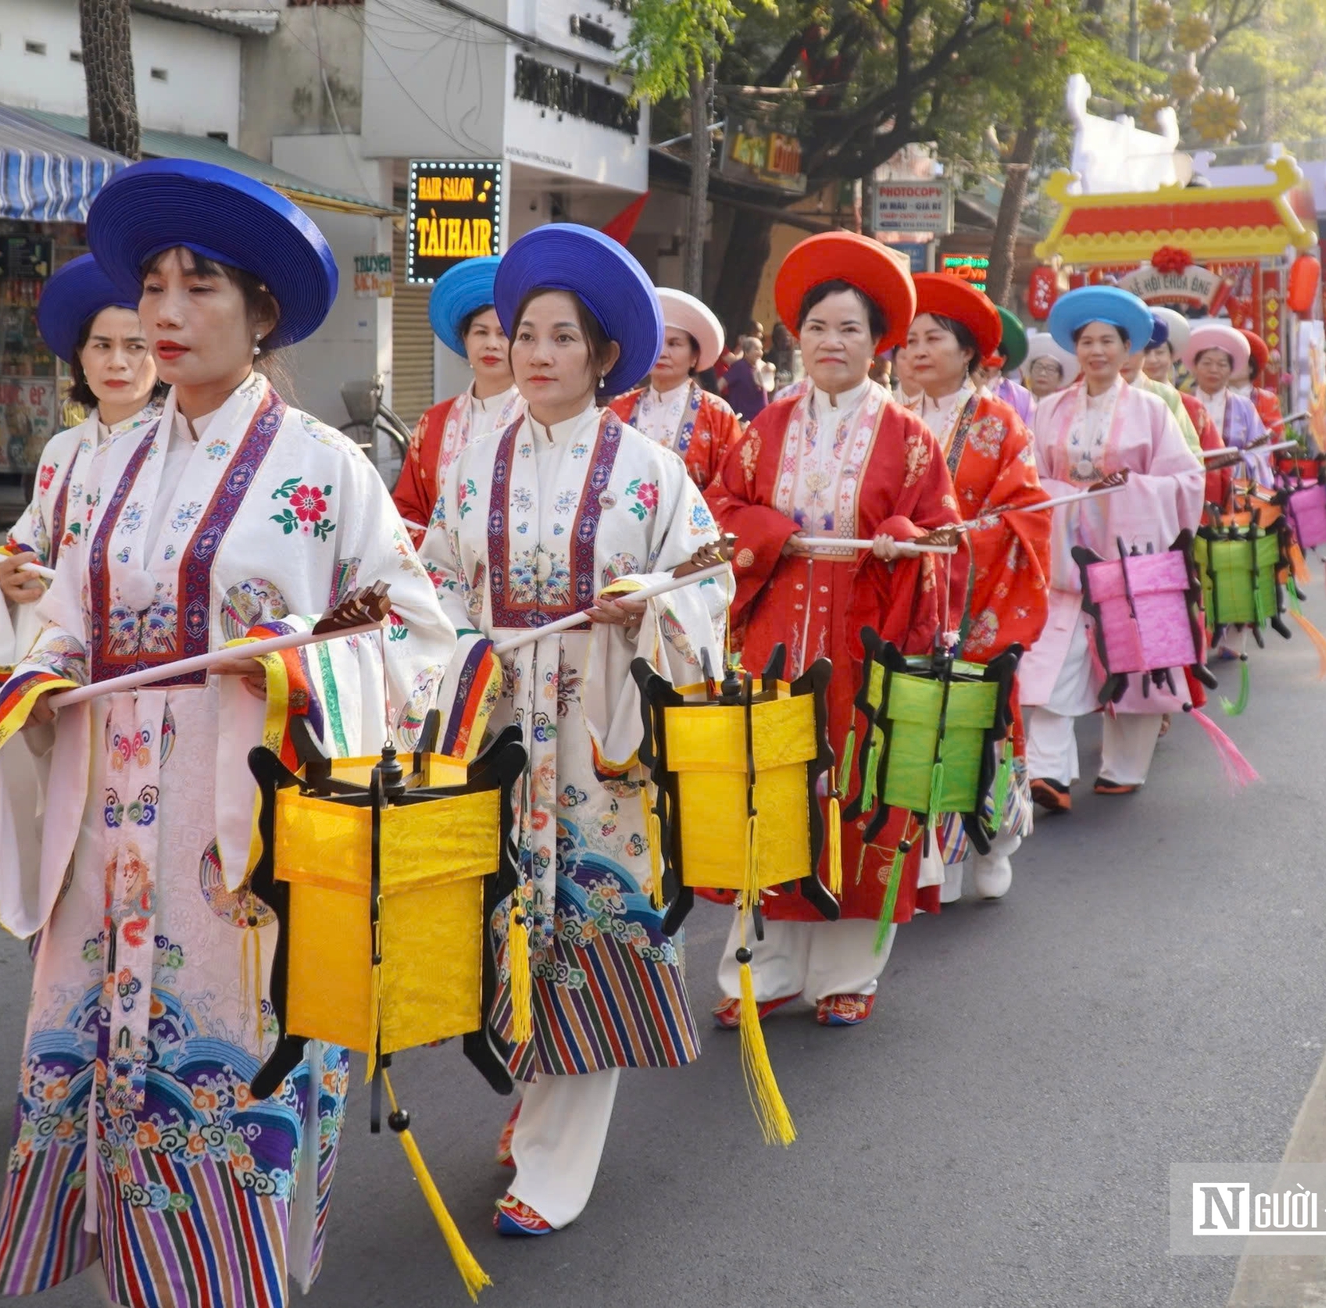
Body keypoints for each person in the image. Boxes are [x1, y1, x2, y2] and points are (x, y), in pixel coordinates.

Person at [0, 160, 457, 1307]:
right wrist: (38, 677)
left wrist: (297, 662)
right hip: (106, 827)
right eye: (152, 282)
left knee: (238, 1066)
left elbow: (414, 633)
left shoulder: (321, 468)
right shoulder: (101, 463)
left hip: (243, 828)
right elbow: (63, 623)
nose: (164, 310)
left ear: (261, 314)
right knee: (106, 1055)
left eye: (199, 286)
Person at [415, 225, 729, 1235]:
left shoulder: (649, 471)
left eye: (561, 337)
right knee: (503, 920)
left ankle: (555, 1162)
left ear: (601, 356)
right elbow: (430, 586)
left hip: (601, 738)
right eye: (522, 333)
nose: (536, 352)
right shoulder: (467, 464)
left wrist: (645, 608)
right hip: (497, 730)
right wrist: (459, 646)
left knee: (585, 929)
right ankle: (532, 1086)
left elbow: (705, 582)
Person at [704, 232, 959, 1027]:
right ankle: (765, 966)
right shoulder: (764, 428)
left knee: (856, 790)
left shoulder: (912, 440)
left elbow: (944, 533)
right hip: (775, 637)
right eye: (818, 328)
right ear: (796, 338)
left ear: (877, 343)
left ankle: (850, 969)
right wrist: (775, 535)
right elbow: (722, 510)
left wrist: (902, 543)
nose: (832, 343)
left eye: (849, 329)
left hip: (864, 640)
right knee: (770, 791)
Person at [1017, 286, 1205, 810]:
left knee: (1136, 662)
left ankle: (1124, 767)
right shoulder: (1048, 409)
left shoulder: (1151, 410)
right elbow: (1031, 479)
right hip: (1064, 558)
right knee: (1053, 660)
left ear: (1127, 350)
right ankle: (1048, 772)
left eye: (1107, 341)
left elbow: (1188, 480)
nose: (1096, 351)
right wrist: (1062, 496)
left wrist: (1133, 488)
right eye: (1087, 342)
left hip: (1132, 558)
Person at [902, 275, 1053, 901]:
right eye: (909, 340)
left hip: (979, 596)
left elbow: (1027, 509)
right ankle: (929, 849)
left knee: (981, 715)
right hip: (907, 595)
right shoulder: (894, 419)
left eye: (933, 338)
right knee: (914, 717)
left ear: (967, 351)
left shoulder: (999, 423)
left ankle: (996, 839)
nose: (917, 350)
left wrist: (965, 537)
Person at [0, 254, 166, 675]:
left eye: (135, 346)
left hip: (141, 655)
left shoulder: (182, 445)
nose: (117, 362)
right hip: (59, 650)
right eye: (102, 346)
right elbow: (30, 538)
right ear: (81, 357)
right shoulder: (62, 449)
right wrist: (11, 575)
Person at [392, 255, 520, 537]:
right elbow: (408, 508)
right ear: (465, 340)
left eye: (503, 333)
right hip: (438, 574)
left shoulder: (538, 416)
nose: (491, 344)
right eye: (480, 332)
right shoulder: (433, 422)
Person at [608, 286, 745, 488]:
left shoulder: (717, 413)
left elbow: (730, 488)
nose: (662, 353)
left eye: (674, 344)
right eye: (657, 343)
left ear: (694, 356)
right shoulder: (618, 409)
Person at [1183, 320, 1271, 481]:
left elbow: (1261, 450)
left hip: (1234, 488)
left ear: (1231, 370)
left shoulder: (1244, 407)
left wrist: (1241, 463)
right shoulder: (1182, 403)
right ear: (1195, 367)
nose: (1213, 370)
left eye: (1222, 364)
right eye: (1207, 363)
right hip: (1191, 483)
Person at [1123, 314, 1203, 455]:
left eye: (1159, 352)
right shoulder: (1077, 398)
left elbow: (1189, 456)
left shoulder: (1168, 397)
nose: (1153, 360)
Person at [988, 307, 1035, 424]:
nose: (981, 359)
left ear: (1002, 359)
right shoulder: (947, 389)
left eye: (989, 350)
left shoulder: (1021, 397)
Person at [721, 332, 771, 421]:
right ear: (747, 352)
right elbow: (721, 383)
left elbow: (771, 372)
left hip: (761, 417)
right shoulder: (739, 366)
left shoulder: (761, 366)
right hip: (745, 419)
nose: (760, 352)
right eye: (756, 349)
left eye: (761, 349)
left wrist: (771, 367)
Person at [1022, 331, 1078, 398]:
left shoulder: (1068, 405)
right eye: (1038, 367)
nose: (1043, 373)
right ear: (1030, 371)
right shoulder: (1016, 400)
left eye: (1050, 369)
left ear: (1060, 377)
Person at [768, 321, 800, 389]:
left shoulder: (795, 354)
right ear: (776, 339)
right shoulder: (772, 355)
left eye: (789, 336)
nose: (787, 339)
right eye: (784, 337)